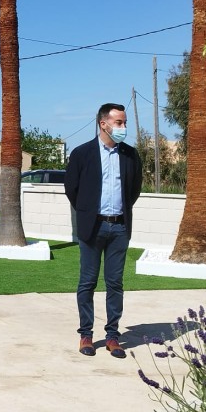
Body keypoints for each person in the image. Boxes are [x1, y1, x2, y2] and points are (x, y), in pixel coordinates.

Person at [65, 103, 142, 360]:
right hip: (92, 227)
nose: (123, 127)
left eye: (124, 122)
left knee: (115, 283)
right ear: (103, 124)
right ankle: (86, 334)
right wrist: (88, 212)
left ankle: (112, 337)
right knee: (87, 282)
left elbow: (134, 190)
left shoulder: (130, 155)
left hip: (119, 227)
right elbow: (72, 189)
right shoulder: (82, 153)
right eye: (119, 122)